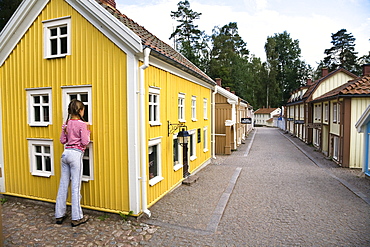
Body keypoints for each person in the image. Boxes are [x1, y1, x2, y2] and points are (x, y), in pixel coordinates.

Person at [55, 99, 90, 227]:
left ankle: (59, 214)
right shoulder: (82, 124)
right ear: (80, 111)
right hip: (75, 155)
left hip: (65, 154)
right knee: (75, 186)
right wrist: (88, 132)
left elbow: (62, 140)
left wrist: (65, 131)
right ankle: (77, 217)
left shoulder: (66, 124)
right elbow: (85, 142)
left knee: (63, 185)